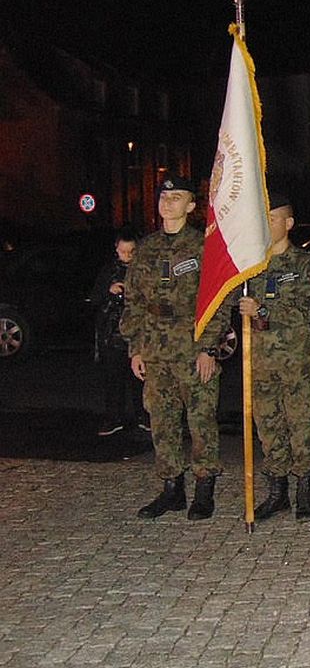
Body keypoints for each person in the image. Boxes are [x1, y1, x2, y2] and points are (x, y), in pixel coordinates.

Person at [120, 175, 228, 520]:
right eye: (164, 196)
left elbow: (218, 300)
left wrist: (209, 348)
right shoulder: (146, 248)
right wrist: (136, 347)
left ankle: (204, 489)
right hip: (155, 347)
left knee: (200, 421)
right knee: (162, 421)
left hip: (191, 346)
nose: (168, 202)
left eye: (176, 197)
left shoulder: (203, 246)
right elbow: (133, 300)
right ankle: (171, 489)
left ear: (191, 206)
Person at [237, 188, 310, 522]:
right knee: (268, 426)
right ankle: (277, 493)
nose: (266, 223)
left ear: (288, 223)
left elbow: (305, 309)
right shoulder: (251, 266)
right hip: (258, 362)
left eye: (272, 217)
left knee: (300, 425)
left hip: (294, 362)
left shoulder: (303, 263)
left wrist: (262, 310)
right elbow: (236, 303)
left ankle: (305, 494)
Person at [90, 227, 148, 437]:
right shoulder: (108, 270)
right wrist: (109, 291)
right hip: (112, 333)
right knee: (113, 378)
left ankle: (144, 415)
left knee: (140, 377)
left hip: (137, 333)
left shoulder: (143, 270)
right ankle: (113, 417)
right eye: (122, 252)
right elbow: (94, 298)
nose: (126, 257)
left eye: (130, 252)